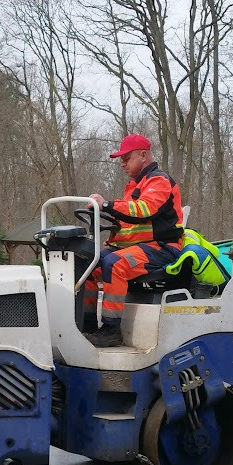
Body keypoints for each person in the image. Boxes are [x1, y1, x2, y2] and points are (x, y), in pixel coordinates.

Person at [84, 134, 185, 348]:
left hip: (163, 248)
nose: (122, 164)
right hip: (141, 248)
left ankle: (111, 331)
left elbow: (143, 210)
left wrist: (107, 205)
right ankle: (87, 326)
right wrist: (110, 244)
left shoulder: (159, 180)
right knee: (88, 263)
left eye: (126, 158)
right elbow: (131, 227)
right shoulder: (133, 186)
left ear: (143, 155)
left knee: (114, 264)